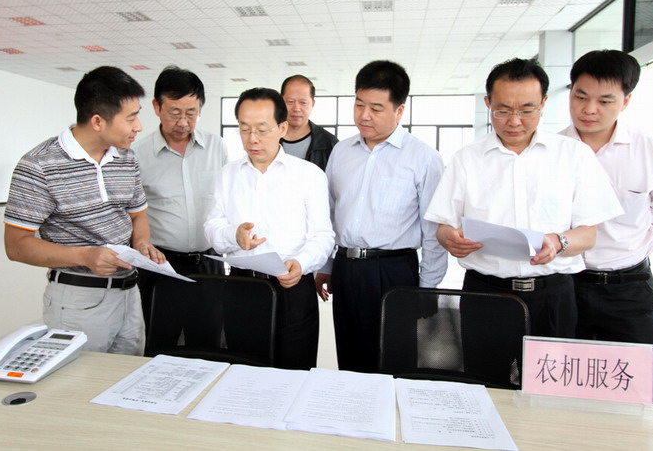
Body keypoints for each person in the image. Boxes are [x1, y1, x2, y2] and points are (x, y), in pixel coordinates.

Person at [425, 58, 621, 386]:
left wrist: (559, 242)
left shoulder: (572, 155)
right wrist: (449, 239)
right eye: (503, 110)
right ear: (488, 103)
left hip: (552, 296)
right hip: (486, 294)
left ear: (543, 103)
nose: (514, 121)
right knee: (484, 385)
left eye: (527, 109)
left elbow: (589, 234)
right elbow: (443, 225)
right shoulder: (467, 159)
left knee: (550, 388)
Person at [4, 66, 165, 355]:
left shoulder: (126, 158)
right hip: (78, 301)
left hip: (129, 294)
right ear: (97, 121)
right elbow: (16, 246)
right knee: (80, 380)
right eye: (131, 118)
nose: (139, 126)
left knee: (127, 375)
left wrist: (141, 243)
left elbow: (137, 214)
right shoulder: (39, 166)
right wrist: (85, 256)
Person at [561, 49, 653, 407]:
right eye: (580, 97)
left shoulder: (652, 151)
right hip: (567, 284)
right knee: (567, 385)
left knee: (641, 387)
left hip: (628, 286)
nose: (589, 109)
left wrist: (643, 240)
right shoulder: (552, 150)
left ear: (626, 100)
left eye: (605, 101)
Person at [316, 60, 446, 374]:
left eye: (376, 108)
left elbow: (433, 229)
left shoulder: (423, 157)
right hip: (346, 269)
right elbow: (330, 213)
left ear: (399, 111)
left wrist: (427, 288)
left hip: (393, 270)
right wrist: (327, 266)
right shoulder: (342, 151)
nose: (364, 115)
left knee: (394, 359)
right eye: (359, 104)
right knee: (350, 358)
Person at [204, 87, 334, 370]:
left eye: (262, 130)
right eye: (244, 129)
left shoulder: (308, 175)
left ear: (282, 128)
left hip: (292, 288)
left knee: (293, 372)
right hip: (243, 288)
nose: (252, 139)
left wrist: (301, 263)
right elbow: (212, 227)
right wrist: (234, 235)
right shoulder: (228, 174)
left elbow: (323, 236)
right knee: (243, 370)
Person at [134, 66, 228, 353]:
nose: (184, 122)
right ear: (156, 107)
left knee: (209, 344)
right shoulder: (137, 155)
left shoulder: (217, 147)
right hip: (160, 265)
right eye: (175, 112)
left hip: (209, 264)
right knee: (158, 343)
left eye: (192, 113)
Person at [279, 74, 338, 170]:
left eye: (303, 102)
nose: (296, 108)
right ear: (281, 102)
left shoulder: (330, 144)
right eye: (290, 101)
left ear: (312, 104)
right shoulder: (268, 138)